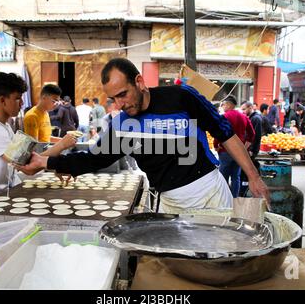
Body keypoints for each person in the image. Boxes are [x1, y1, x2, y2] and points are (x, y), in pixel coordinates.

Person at [18, 58, 270, 213]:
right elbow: (92, 159)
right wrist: (45, 162)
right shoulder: (123, 125)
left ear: (139, 81)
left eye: (123, 94)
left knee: (219, 265)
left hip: (208, 195)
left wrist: (254, 177)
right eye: (113, 99)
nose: (119, 104)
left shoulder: (182, 98)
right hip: (169, 203)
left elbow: (225, 134)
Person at [0, 72, 76, 212]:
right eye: (17, 99)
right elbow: (27, 167)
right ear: (2, 100)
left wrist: (55, 165)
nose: (22, 103)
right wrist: (62, 145)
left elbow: (31, 157)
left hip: (1, 197)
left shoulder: (4, 126)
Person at [215, 96, 255, 198]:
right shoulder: (243, 117)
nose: (223, 106)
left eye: (223, 104)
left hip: (225, 150)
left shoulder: (224, 117)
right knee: (236, 177)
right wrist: (246, 145)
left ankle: (223, 198)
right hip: (239, 152)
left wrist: (216, 145)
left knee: (223, 176)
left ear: (228, 104)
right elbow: (252, 133)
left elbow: (218, 133)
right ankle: (234, 199)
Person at [240, 101, 262, 197]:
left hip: (251, 150)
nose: (243, 111)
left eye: (244, 109)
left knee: (248, 170)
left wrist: (251, 150)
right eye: (242, 109)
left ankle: (249, 191)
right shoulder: (250, 118)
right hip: (248, 149)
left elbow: (256, 136)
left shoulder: (256, 119)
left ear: (250, 108)